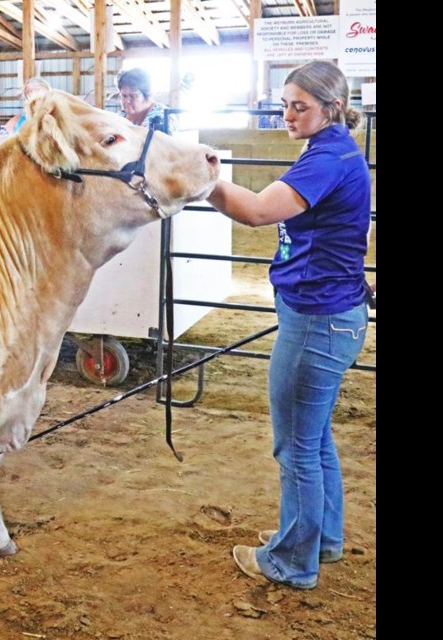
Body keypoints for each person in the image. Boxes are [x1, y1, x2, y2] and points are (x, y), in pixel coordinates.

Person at [204, 60, 371, 590]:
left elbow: (257, 212)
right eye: (284, 104)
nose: (287, 115)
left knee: (296, 445)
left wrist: (203, 179)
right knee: (313, 437)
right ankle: (322, 539)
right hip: (328, 311)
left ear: (331, 107)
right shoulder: (337, 151)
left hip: (317, 319)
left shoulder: (327, 158)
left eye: (299, 106)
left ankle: (292, 560)